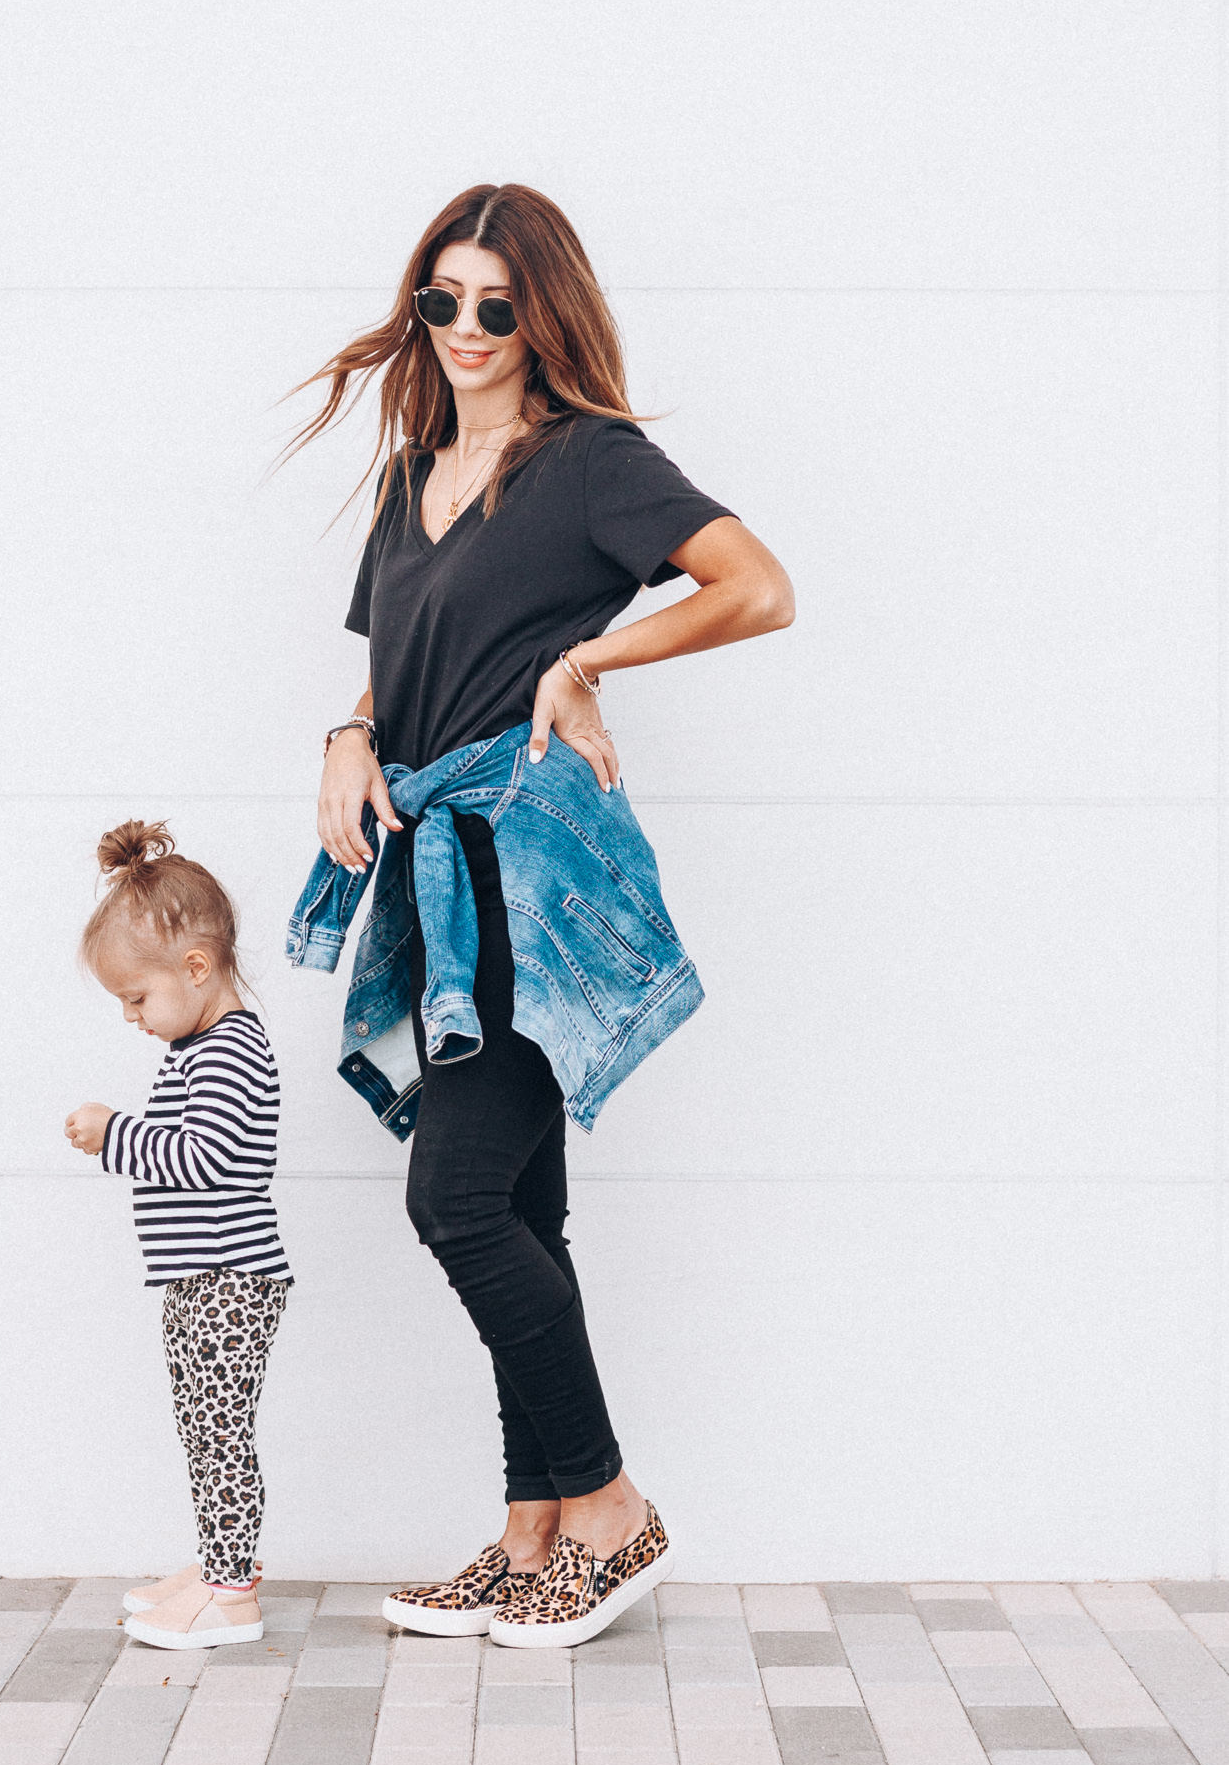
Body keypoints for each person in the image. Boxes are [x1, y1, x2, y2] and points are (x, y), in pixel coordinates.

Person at [285, 183, 794, 1649]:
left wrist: (592, 659)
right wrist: (347, 733)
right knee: (518, 1206)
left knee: (453, 1200)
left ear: (544, 312)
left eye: (496, 304)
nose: (463, 329)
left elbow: (758, 588)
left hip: (529, 867)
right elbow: (398, 663)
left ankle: (615, 1514)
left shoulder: (592, 466)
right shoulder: (409, 475)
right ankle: (529, 1539)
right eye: (440, 299)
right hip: (434, 867)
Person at [65, 820, 291, 1651]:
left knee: (219, 1428)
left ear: (195, 969)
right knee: (202, 1426)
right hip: (204, 1279)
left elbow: (205, 1157)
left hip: (231, 1280)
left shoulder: (229, 1052)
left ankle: (233, 1594)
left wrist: (114, 1134)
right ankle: (218, 1563)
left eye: (136, 998)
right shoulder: (200, 1047)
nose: (132, 1018)